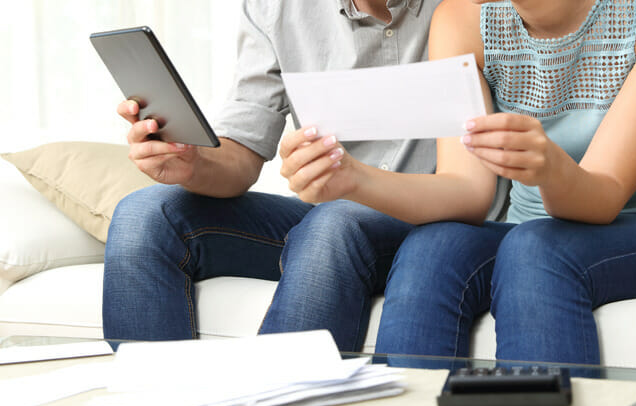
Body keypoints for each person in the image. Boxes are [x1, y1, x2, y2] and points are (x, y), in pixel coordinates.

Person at [102, 0, 509, 346]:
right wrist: (191, 162)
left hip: (436, 222)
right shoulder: (277, 8)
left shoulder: (463, 11)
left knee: (337, 217)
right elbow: (241, 154)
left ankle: (275, 401)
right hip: (332, 216)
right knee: (146, 214)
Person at [372, 0, 636, 365]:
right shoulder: (460, 19)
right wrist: (352, 177)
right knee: (432, 247)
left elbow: (605, 196)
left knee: (536, 248)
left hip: (622, 222)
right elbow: (466, 189)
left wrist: (551, 170)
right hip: (528, 230)